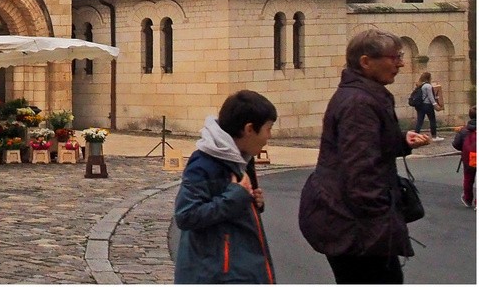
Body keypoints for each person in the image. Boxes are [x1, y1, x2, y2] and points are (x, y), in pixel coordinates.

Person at [299, 29, 430, 284]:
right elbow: (360, 172)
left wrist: (400, 142)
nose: (401, 63)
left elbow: (364, 148)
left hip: (351, 223)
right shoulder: (359, 102)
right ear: (366, 62)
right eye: (394, 57)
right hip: (356, 227)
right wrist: (382, 223)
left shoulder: (363, 95)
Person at [172, 90, 277, 284]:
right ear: (249, 129)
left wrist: (252, 202)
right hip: (216, 276)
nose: (269, 137)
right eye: (268, 129)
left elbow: (229, 212)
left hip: (239, 272)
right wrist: (236, 196)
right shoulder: (204, 163)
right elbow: (186, 215)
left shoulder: (242, 159)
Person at [454, 106, 476, 209]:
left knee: (468, 179)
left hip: (468, 159)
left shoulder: (463, 131)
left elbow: (456, 144)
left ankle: (468, 199)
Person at [410, 71, 438, 138]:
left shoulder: (420, 85)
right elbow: (430, 97)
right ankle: (434, 136)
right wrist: (435, 105)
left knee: (420, 121)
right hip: (427, 105)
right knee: (432, 120)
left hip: (420, 105)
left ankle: (416, 135)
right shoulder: (428, 86)